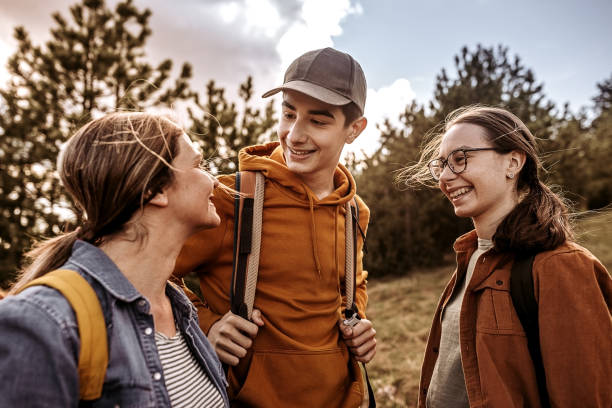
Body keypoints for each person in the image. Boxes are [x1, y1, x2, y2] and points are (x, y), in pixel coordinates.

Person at [173, 47, 377, 407]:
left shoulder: (354, 211)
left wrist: (357, 321)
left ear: (354, 129)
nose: (295, 135)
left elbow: (353, 284)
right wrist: (205, 325)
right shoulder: (231, 197)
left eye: (318, 121)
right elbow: (152, 271)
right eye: (288, 114)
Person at [0, 112, 230, 407]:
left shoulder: (180, 310)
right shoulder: (45, 322)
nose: (212, 179)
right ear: (155, 190)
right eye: (199, 165)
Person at [399, 105, 612, 407]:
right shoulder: (471, 257)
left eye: (460, 159)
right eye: (441, 164)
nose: (445, 177)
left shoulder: (562, 267)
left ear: (513, 162)